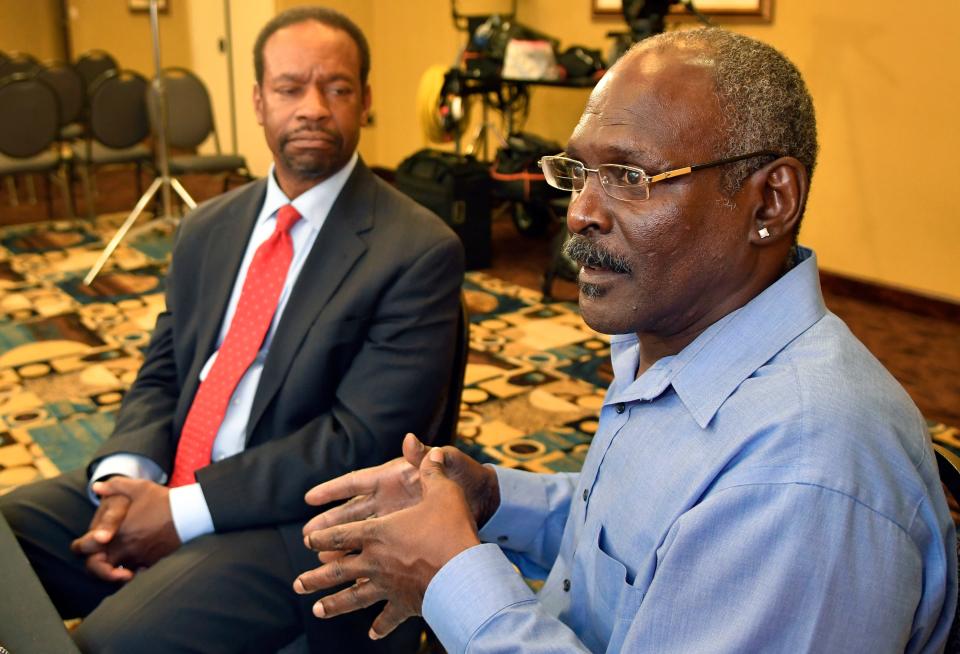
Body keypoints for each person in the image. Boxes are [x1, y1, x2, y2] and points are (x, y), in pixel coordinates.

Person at [292, 28, 957, 653]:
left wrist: (453, 578)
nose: (581, 211)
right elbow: (629, 550)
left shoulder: (805, 476)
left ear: (769, 202)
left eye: (630, 178)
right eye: (578, 173)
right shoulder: (677, 347)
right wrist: (493, 497)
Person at [0, 6, 464, 653]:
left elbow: (360, 441)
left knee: (107, 644)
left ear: (366, 102)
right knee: (7, 535)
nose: (312, 106)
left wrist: (182, 512)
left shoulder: (416, 249)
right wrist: (124, 482)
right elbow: (164, 369)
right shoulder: (208, 227)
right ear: (257, 101)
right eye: (289, 86)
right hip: (173, 475)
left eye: (336, 88)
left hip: (293, 519)